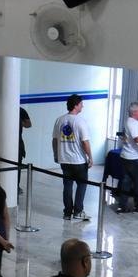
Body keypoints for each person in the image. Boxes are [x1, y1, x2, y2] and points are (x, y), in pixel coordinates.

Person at [52, 94, 92, 222]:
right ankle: (78, 211)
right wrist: (90, 157)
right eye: (81, 104)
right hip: (78, 161)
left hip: (64, 159)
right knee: (82, 184)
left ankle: (67, 212)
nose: (82, 106)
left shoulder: (59, 120)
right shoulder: (80, 121)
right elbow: (85, 142)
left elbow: (54, 140)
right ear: (76, 105)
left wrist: (56, 154)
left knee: (67, 186)